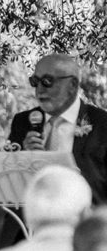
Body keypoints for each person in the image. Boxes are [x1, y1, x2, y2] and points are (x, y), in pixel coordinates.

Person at [7, 53, 107, 204]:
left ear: (72, 85)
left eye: (47, 81)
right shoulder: (23, 122)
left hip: (84, 221)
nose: (39, 89)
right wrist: (24, 158)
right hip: (32, 222)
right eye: (35, 81)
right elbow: (7, 182)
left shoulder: (102, 124)